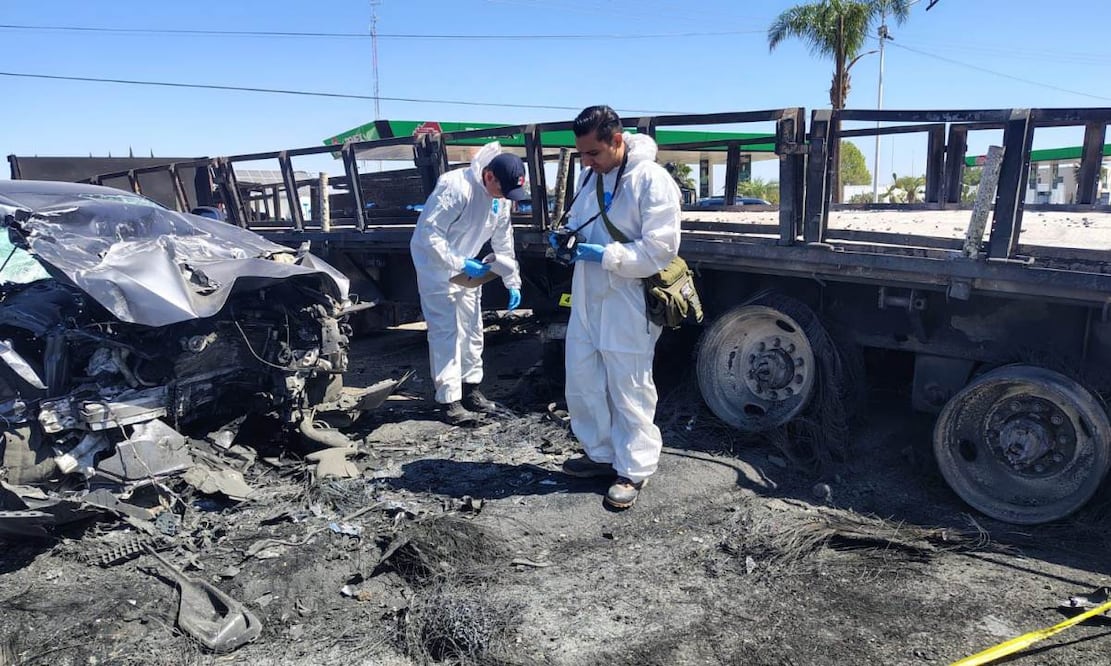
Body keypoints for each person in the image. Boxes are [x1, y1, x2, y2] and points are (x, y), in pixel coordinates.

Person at [552, 105, 681, 510]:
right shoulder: (592, 176)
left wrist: (606, 255)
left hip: (628, 299)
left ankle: (634, 468)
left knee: (630, 385)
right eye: (582, 154)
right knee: (583, 379)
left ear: (617, 140)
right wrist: (566, 241)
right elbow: (578, 221)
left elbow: (661, 249)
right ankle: (601, 454)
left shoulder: (651, 181)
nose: (586, 161)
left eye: (593, 153)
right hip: (588, 296)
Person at [410, 141, 529, 425]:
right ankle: (449, 400)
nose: (505, 197)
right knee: (446, 332)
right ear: (489, 176)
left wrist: (512, 280)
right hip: (436, 267)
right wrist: (460, 262)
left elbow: (503, 239)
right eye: (503, 189)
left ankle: (471, 389)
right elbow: (429, 235)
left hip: (468, 267)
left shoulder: (499, 198)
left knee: (473, 328)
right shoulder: (455, 187)